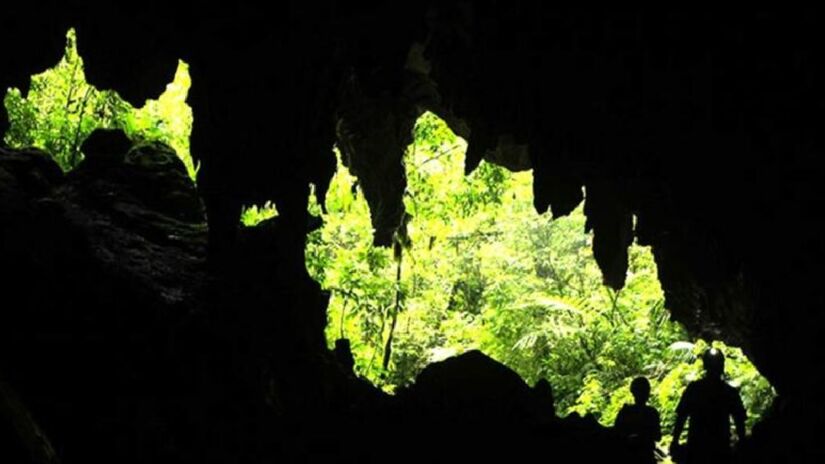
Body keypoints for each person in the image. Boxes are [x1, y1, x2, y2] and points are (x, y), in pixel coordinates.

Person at [671, 348, 746, 464]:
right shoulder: (729, 391)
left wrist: (675, 441)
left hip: (697, 448)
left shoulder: (694, 389)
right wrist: (742, 442)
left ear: (705, 365)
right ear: (722, 367)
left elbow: (682, 416)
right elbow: (739, 420)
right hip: (720, 449)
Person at [615, 376, 661, 464]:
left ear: (633, 392)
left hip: (629, 456)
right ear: (648, 393)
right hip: (646, 456)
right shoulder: (652, 412)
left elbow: (616, 434)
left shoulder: (625, 412)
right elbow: (658, 436)